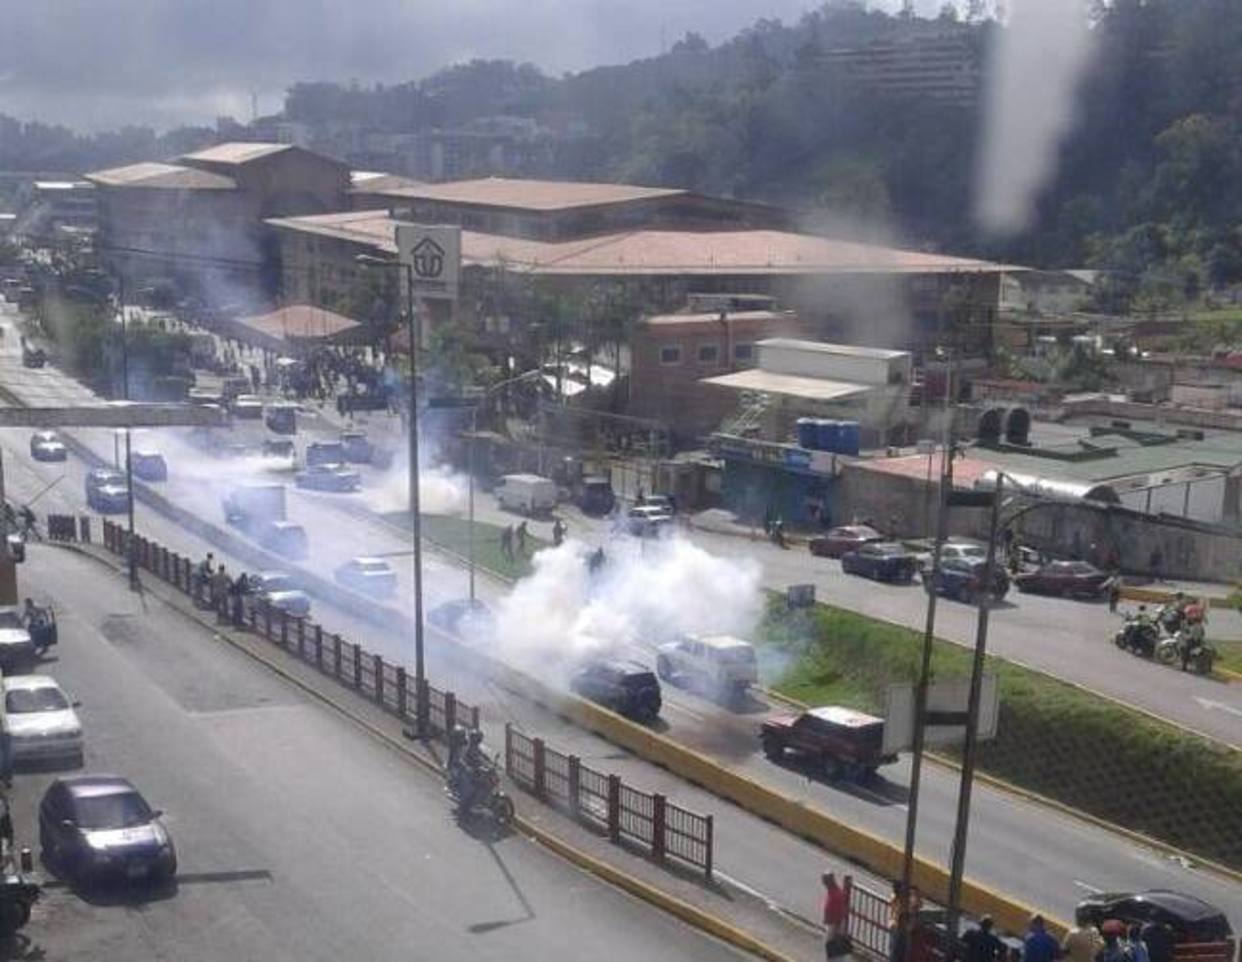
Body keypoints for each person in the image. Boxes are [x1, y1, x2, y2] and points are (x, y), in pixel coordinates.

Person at [821, 872, 849, 943]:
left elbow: (834, 908)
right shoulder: (834, 891)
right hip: (834, 922)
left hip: (834, 922)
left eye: (825, 880)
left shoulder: (835, 894)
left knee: (830, 941)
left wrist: (829, 919)